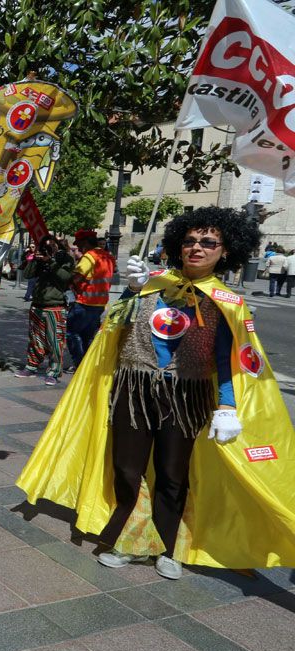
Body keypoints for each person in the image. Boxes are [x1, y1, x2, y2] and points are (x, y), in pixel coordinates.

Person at [17, 206, 295, 580]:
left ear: (225, 251)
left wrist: (227, 404)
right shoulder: (152, 282)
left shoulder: (228, 301)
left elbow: (230, 358)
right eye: (190, 240)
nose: (197, 248)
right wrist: (131, 293)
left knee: (172, 473)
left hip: (187, 394)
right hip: (133, 387)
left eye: (208, 242)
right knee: (127, 468)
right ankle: (131, 540)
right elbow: (113, 329)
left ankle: (168, 545)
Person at [14, 234, 73, 385]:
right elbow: (27, 275)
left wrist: (51, 261)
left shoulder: (65, 259)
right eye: (45, 246)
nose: (48, 249)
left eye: (51, 246)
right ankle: (31, 366)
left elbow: (65, 277)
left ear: (57, 246)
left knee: (55, 341)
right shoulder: (39, 259)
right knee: (35, 339)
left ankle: (53, 371)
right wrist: (35, 259)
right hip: (37, 305)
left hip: (55, 307)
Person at [66, 229, 115, 370]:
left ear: (86, 242)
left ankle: (80, 364)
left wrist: (68, 277)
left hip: (84, 302)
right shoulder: (108, 257)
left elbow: (77, 278)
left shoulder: (89, 256)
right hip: (99, 304)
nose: (79, 247)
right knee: (87, 336)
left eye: (80, 244)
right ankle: (88, 365)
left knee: (72, 333)